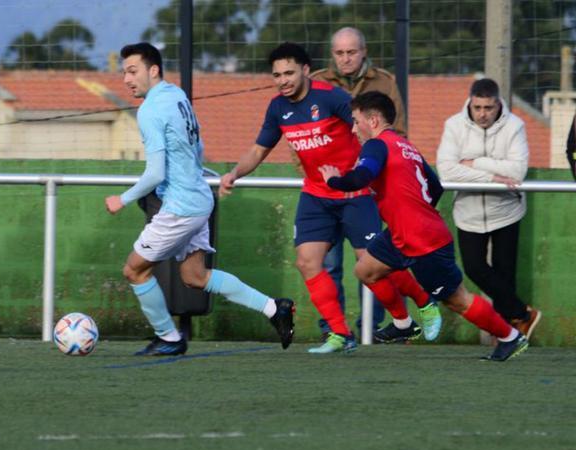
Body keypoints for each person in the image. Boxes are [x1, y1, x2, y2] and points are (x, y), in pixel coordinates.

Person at [220, 42, 440, 355]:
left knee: (375, 263)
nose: (283, 80)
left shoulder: (331, 98)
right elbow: (258, 150)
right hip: (316, 194)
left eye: (289, 73)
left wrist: (369, 168)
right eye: (277, 75)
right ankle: (340, 334)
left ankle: (423, 304)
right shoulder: (277, 108)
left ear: (306, 70)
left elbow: (366, 128)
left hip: (354, 192)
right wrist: (234, 174)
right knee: (307, 262)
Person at [105, 42, 295, 356]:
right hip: (198, 199)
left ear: (153, 70)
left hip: (181, 207)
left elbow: (154, 173)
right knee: (194, 276)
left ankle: (168, 337)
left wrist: (121, 200)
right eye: (124, 72)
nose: (126, 79)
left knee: (134, 270)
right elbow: (198, 144)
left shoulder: (150, 109)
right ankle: (275, 308)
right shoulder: (177, 95)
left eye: (132, 71)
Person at [319, 91, 528, 361]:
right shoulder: (404, 144)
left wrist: (334, 181)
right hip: (401, 233)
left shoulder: (376, 145)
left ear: (372, 120)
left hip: (424, 241)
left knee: (457, 300)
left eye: (356, 121)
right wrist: (410, 207)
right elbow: (435, 186)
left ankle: (510, 337)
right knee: (366, 270)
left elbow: (360, 177)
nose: (353, 128)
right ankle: (404, 325)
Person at [310, 26, 408, 338]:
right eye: (339, 53)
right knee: (329, 264)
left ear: (364, 51)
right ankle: (333, 329)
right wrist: (312, 171)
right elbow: (301, 133)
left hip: (366, 190)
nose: (345, 58)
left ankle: (374, 327)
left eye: (351, 52)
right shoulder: (317, 83)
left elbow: (398, 134)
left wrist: (373, 172)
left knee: (373, 263)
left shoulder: (385, 82)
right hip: (326, 189)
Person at [436, 78, 541, 340]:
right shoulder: (454, 125)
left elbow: (517, 170)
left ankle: (508, 336)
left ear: (498, 105)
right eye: (478, 107)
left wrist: (474, 163)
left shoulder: (515, 126)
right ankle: (523, 314)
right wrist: (492, 176)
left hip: (506, 211)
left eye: (489, 108)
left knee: (505, 275)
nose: (483, 114)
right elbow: (447, 169)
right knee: (473, 268)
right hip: (468, 212)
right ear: (470, 103)